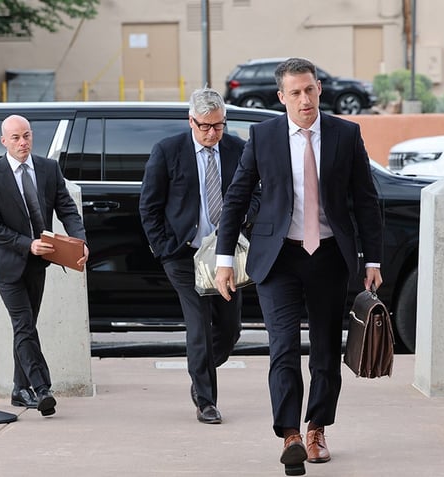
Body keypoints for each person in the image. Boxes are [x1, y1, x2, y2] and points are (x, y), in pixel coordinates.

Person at [214, 57, 383, 476]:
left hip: (329, 256)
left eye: (309, 90)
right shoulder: (264, 135)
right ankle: (289, 433)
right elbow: (236, 198)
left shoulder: (346, 134)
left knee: (325, 350)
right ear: (281, 97)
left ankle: (317, 428)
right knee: (283, 348)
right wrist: (223, 261)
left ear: (319, 89)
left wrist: (373, 258)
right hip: (279, 258)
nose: (304, 99)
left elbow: (365, 199)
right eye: (295, 92)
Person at [139, 88, 258, 424]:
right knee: (199, 327)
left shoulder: (238, 149)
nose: (211, 133)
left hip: (225, 255)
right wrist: (163, 248)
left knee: (230, 328)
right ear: (190, 121)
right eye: (204, 126)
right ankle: (206, 400)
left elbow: (256, 193)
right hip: (183, 254)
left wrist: (243, 217)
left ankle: (200, 367)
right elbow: (149, 205)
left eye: (218, 126)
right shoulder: (168, 151)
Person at [0, 114, 88, 417]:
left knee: (25, 328)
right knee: (23, 325)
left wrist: (80, 241)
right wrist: (28, 244)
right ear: (4, 141)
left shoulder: (49, 168)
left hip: (40, 262)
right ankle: (41, 389)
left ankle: (18, 388)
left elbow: (67, 207)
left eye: (26, 136)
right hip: (7, 265)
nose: (22, 142)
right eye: (15, 138)